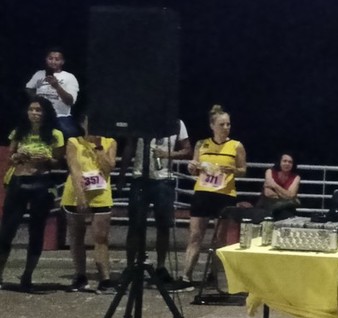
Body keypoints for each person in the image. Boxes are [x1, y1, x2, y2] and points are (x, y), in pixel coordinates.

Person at [0, 97, 65, 291]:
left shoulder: (55, 134)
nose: (35, 113)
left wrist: (47, 159)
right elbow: (11, 157)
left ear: (46, 113)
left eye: (39, 110)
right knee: (7, 230)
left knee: (36, 231)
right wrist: (18, 156)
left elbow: (58, 162)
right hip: (19, 181)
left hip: (41, 183)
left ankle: (27, 276)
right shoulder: (19, 131)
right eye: (31, 110)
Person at [180, 105, 247, 288]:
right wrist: (192, 167)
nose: (226, 128)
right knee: (195, 236)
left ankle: (213, 275)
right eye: (222, 124)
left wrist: (232, 169)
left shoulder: (236, 146)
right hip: (203, 193)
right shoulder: (202, 144)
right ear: (212, 126)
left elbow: (243, 170)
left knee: (219, 239)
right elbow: (194, 167)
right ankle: (186, 276)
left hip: (224, 195)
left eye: (228, 124)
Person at [123, 120, 192, 289]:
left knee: (163, 225)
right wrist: (122, 174)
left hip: (163, 179)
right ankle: (131, 266)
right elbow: (130, 146)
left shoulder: (176, 123)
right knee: (135, 224)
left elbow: (187, 149)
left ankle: (161, 267)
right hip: (140, 177)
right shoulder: (140, 119)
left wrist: (168, 154)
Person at [63, 116, 117, 293]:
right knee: (76, 237)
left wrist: (99, 148)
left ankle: (105, 279)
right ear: (82, 123)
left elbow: (109, 167)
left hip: (101, 194)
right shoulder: (74, 142)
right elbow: (74, 169)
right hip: (76, 193)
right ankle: (80, 276)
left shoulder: (110, 142)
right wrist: (80, 196)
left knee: (101, 238)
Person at [25, 48, 80, 138]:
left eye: (57, 59)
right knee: (23, 131)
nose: (53, 62)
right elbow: (28, 88)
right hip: (40, 115)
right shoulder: (39, 74)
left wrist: (57, 86)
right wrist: (37, 99)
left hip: (60, 116)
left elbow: (70, 101)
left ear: (62, 62)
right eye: (50, 58)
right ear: (46, 59)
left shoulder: (69, 77)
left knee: (70, 135)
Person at [256, 153, 301, 219]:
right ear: (279, 162)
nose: (287, 164)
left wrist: (275, 185)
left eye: (290, 162)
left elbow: (291, 195)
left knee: (287, 215)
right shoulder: (269, 172)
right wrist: (286, 195)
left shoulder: (296, 177)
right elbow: (268, 193)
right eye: (284, 161)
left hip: (286, 208)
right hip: (267, 205)